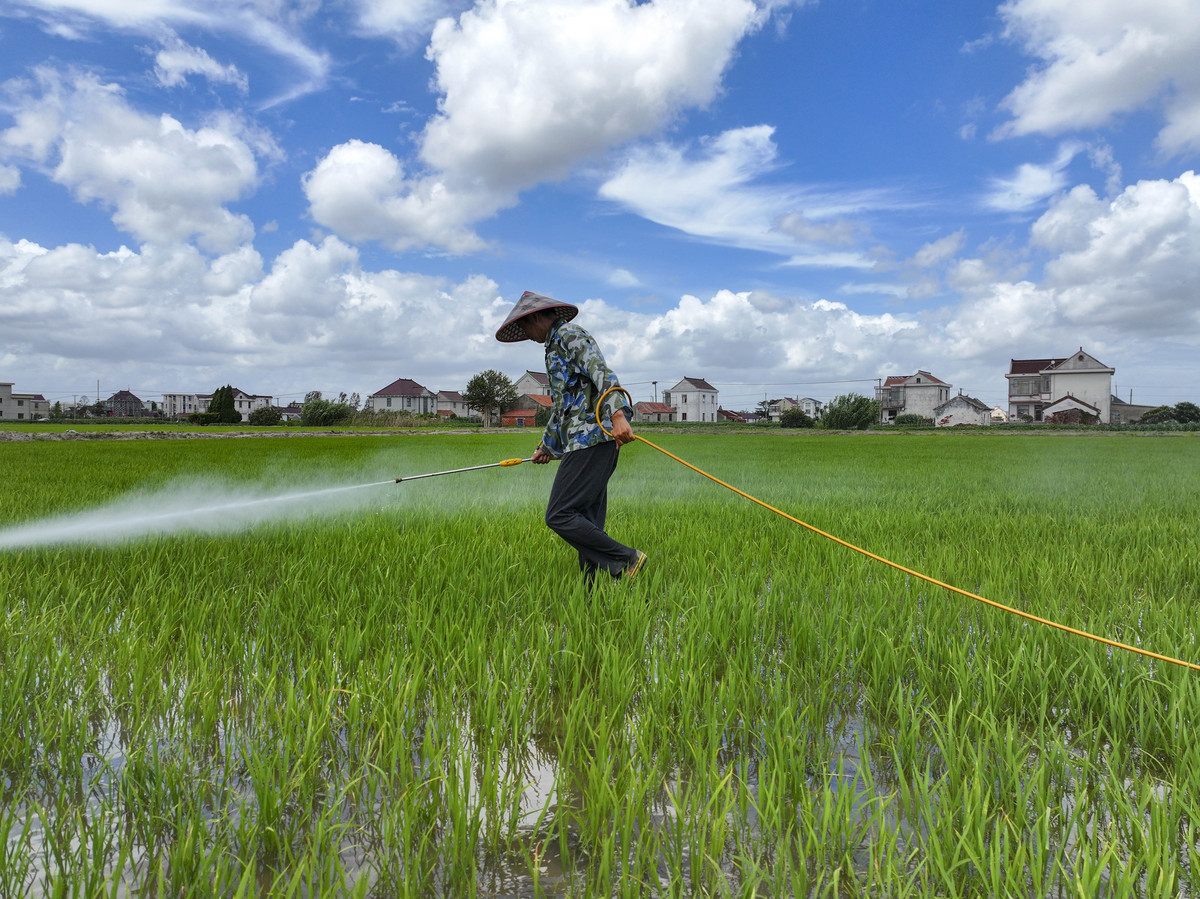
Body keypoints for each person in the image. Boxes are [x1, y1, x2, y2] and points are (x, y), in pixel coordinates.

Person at [496, 290, 648, 587]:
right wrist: (547, 447)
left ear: (537, 316)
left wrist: (618, 416)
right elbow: (564, 406)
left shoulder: (569, 335)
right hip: (584, 441)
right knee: (586, 522)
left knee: (560, 514)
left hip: (590, 440)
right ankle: (592, 591)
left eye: (526, 328)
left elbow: (602, 374)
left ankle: (627, 558)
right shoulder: (553, 346)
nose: (527, 335)